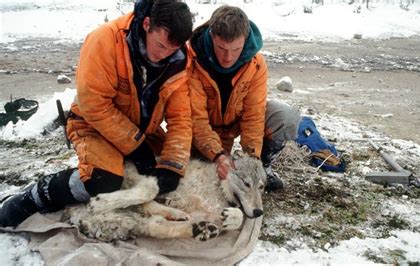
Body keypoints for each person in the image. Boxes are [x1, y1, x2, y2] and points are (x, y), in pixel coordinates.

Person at [0, 0, 194, 228]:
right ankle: (36, 195)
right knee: (102, 180)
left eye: (172, 50)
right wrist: (136, 146)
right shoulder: (104, 40)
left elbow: (181, 118)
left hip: (143, 133)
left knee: (181, 169)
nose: (165, 55)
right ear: (147, 24)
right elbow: (93, 104)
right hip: (93, 124)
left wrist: (172, 165)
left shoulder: (180, 59)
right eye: (161, 46)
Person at [188, 5, 300, 192]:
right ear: (211, 36)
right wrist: (218, 155)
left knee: (285, 116)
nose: (228, 57)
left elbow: (254, 115)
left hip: (236, 122)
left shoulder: (256, 64)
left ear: (245, 39)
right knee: (203, 179)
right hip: (204, 129)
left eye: (236, 49)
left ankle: (264, 167)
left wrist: (252, 162)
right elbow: (196, 119)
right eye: (221, 48)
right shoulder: (191, 60)